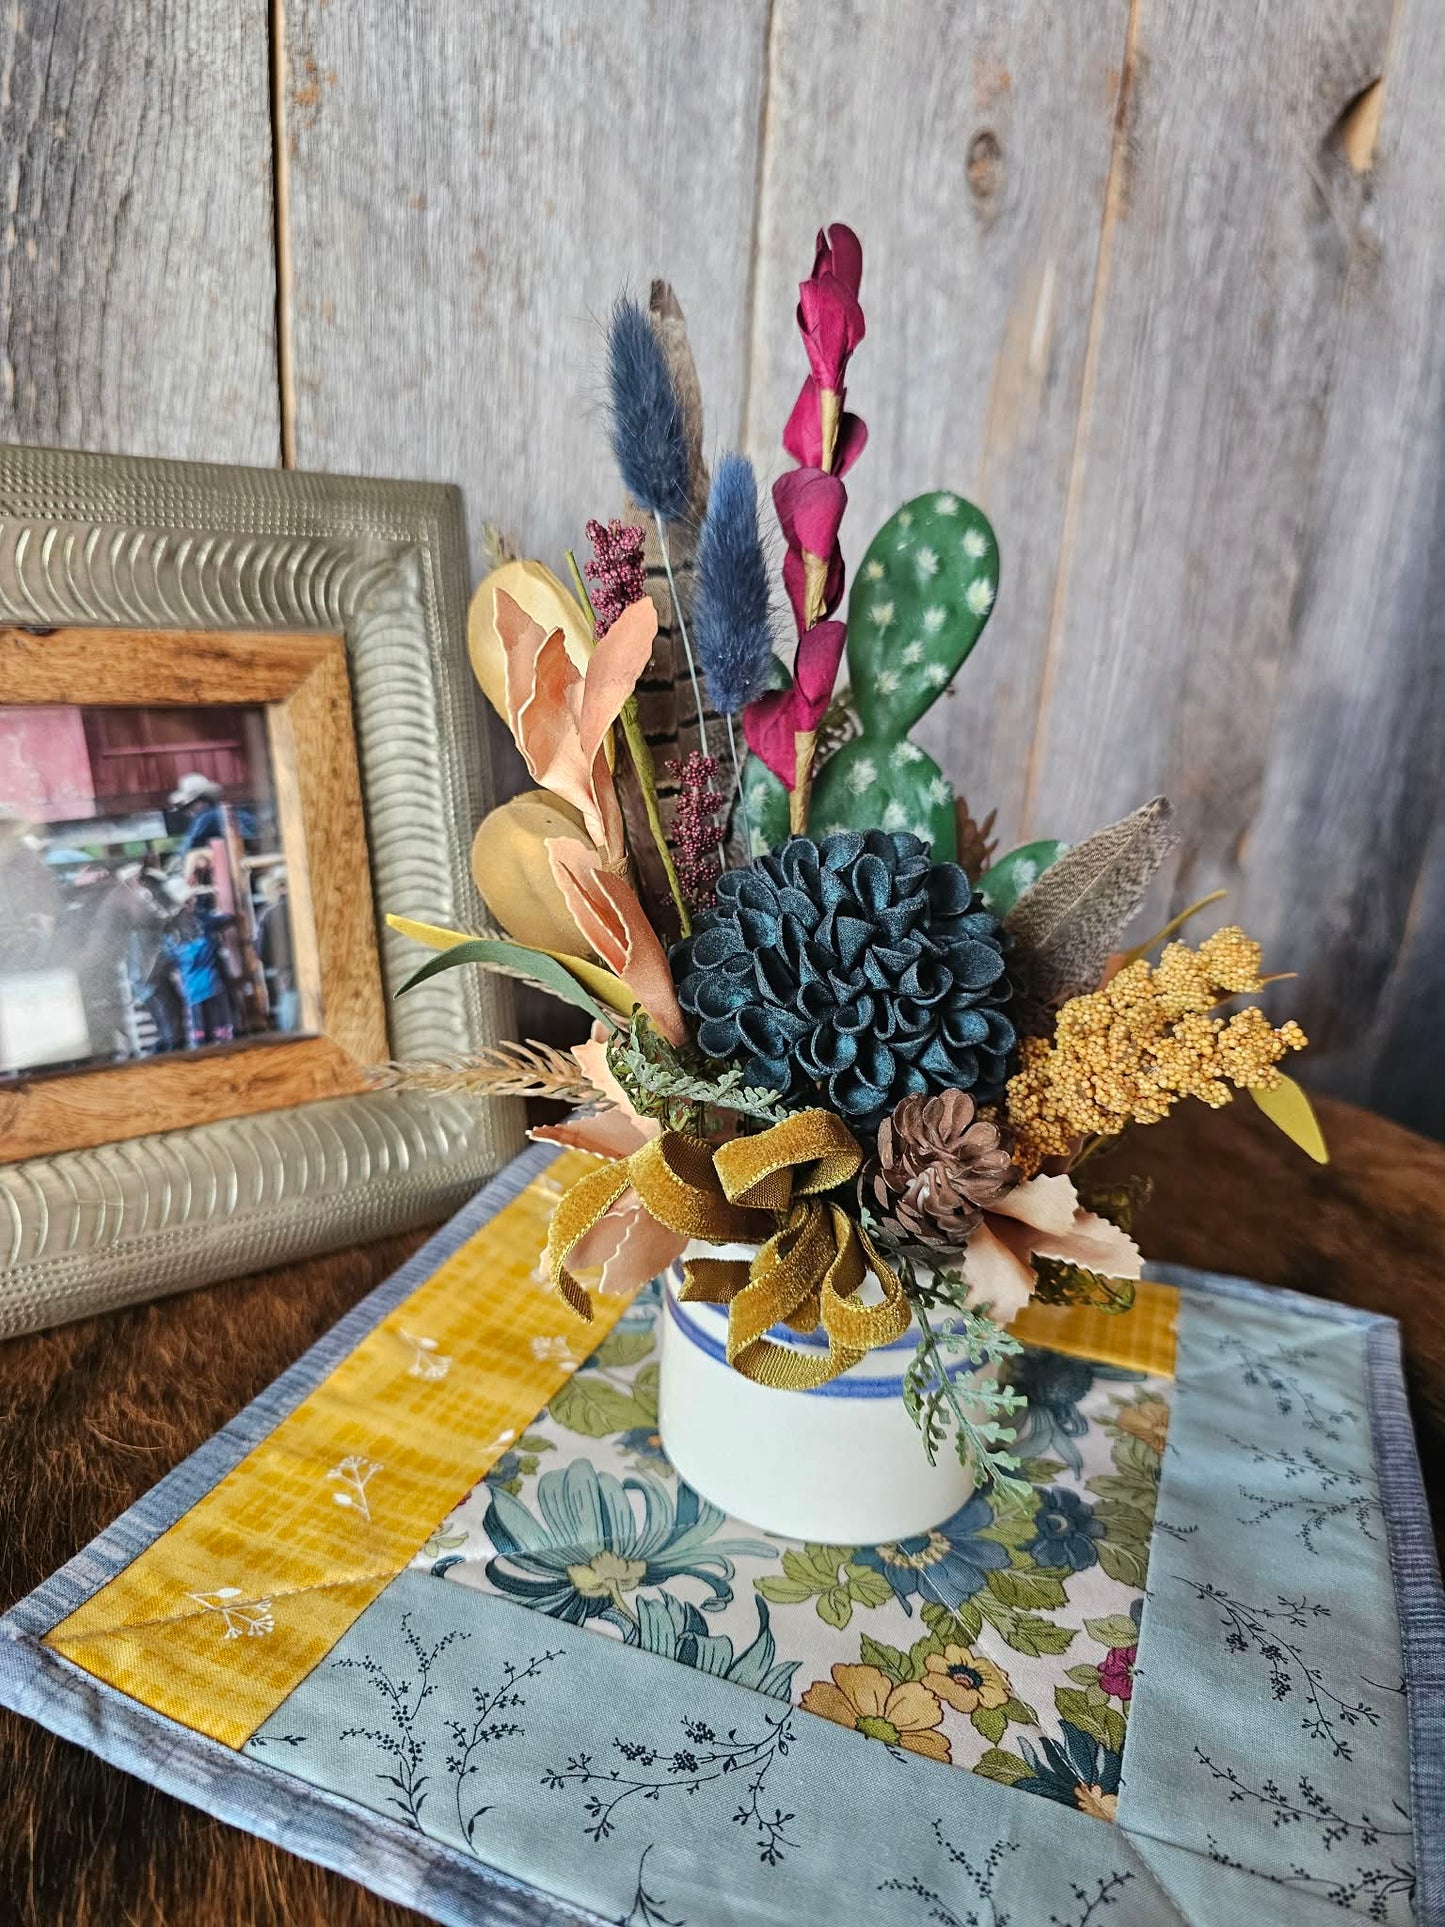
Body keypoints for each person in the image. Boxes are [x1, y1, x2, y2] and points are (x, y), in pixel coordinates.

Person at [168, 772, 258, 852]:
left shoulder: (206, 817)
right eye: (185, 809)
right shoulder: (231, 813)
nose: (188, 812)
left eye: (189, 806)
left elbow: (188, 847)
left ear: (202, 801)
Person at [256, 866, 299, 1031]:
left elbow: (262, 952)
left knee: (292, 1025)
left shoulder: (269, 914)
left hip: (288, 974)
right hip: (317, 970)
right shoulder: (308, 905)